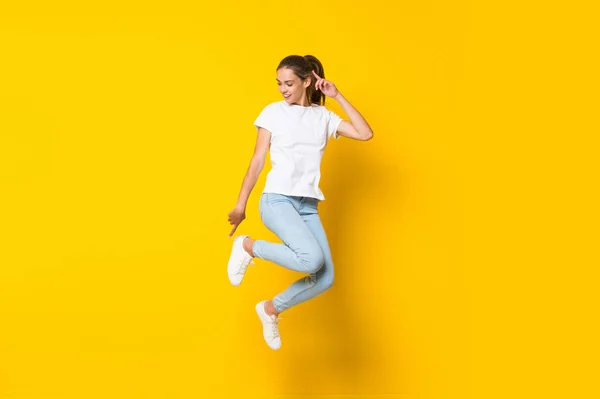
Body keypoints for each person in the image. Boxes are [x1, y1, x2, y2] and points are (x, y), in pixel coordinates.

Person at [226, 54, 373, 350]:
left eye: (289, 83)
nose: (283, 89)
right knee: (312, 260)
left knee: (325, 277)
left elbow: (365, 133)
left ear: (307, 81)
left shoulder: (323, 116)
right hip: (277, 200)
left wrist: (337, 95)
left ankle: (270, 309)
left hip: (307, 205)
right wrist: (241, 204)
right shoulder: (273, 112)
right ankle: (248, 246)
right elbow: (257, 161)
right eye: (279, 83)